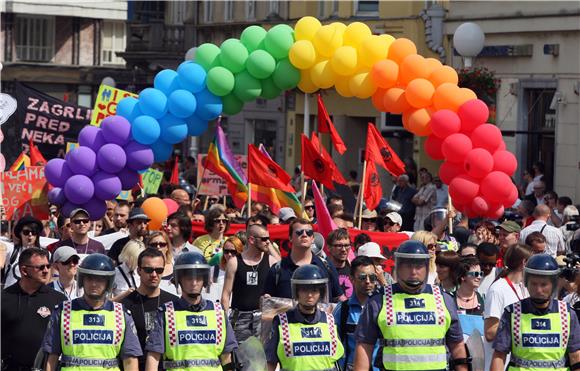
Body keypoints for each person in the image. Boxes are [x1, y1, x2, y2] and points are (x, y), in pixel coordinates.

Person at [353, 240, 469, 371]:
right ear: (398, 266)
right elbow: (364, 346)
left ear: (426, 267)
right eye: (407, 266)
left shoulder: (444, 299)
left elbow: (457, 345)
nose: (413, 272)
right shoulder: (379, 300)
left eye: (418, 266)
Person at [42, 253, 142, 370]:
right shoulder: (63, 311)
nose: (94, 284)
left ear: (108, 282)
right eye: (89, 278)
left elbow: (130, 360)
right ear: (82, 280)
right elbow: (52, 356)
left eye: (100, 279)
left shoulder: (121, 314)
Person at [144, 252, 237, 370]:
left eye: (198, 278)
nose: (194, 283)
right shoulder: (165, 313)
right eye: (189, 278)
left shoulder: (218, 312)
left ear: (204, 280)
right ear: (179, 280)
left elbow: (227, 356)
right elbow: (153, 356)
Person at [491, 254, 580, 371]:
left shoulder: (567, 313)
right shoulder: (512, 313)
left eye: (544, 285)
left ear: (553, 284)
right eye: (534, 284)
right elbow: (499, 355)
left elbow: (576, 357)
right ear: (526, 282)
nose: (538, 290)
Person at [265, 265, 344, 371]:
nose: (310, 295)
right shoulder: (282, 322)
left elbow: (340, 361)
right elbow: (270, 362)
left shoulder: (330, 321)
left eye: (314, 290)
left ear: (321, 292)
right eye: (304, 290)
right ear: (296, 292)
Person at [2, 248, 67, 370]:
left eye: (48, 266)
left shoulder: (59, 300)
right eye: (40, 267)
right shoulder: (4, 298)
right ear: (24, 270)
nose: (46, 271)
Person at [121, 248, 179, 370]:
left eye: (159, 270)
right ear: (138, 271)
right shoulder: (124, 305)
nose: (154, 275)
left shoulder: (174, 303)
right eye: (148, 270)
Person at [263, 218, 345, 302]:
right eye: (299, 232)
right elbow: (268, 302)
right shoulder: (277, 269)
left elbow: (338, 297)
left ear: (313, 238)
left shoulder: (326, 265)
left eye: (309, 233)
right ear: (290, 238)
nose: (304, 235)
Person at [221, 226, 279, 341]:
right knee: (240, 356)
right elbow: (226, 295)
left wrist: (269, 246)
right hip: (239, 318)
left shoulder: (271, 261)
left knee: (262, 356)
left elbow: (281, 265)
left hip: (263, 317)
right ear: (251, 240)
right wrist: (224, 322)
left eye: (269, 238)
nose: (267, 241)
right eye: (264, 239)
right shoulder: (234, 262)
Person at [483, 245, 532, 371]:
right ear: (524, 263)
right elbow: (489, 332)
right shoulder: (498, 289)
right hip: (500, 365)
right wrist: (522, 327)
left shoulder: (524, 288)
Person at [333, 256, 380, 371]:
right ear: (352, 279)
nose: (368, 281)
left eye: (372, 277)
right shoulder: (343, 309)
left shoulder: (384, 307)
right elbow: (333, 344)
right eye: (362, 277)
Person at [2, 215, 43, 287]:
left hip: (34, 296)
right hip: (11, 295)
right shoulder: (12, 249)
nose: (30, 235)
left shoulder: (45, 254)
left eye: (33, 232)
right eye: (26, 232)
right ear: (20, 233)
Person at [206, 236, 244, 303]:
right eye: (226, 251)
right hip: (217, 308)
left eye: (233, 252)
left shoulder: (244, 271)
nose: (229, 254)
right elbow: (206, 293)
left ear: (239, 251)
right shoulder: (213, 270)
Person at [326, 228, 354, 298]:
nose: (344, 250)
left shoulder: (354, 271)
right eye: (339, 246)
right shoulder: (323, 271)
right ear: (328, 247)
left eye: (347, 245)